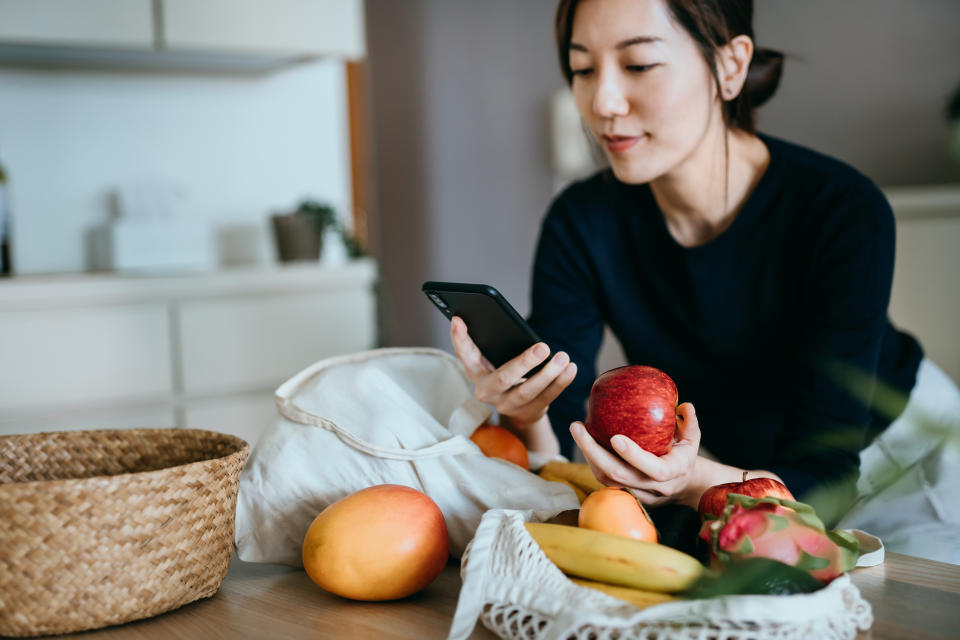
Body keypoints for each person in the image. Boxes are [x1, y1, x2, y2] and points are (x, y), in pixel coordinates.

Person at [448, 0, 960, 561]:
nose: (602, 103)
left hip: (901, 464)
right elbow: (580, 442)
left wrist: (689, 481)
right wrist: (527, 411)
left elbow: (824, 469)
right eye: (583, 68)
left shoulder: (841, 210)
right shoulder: (581, 221)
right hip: (734, 473)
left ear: (731, 67)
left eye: (639, 65)